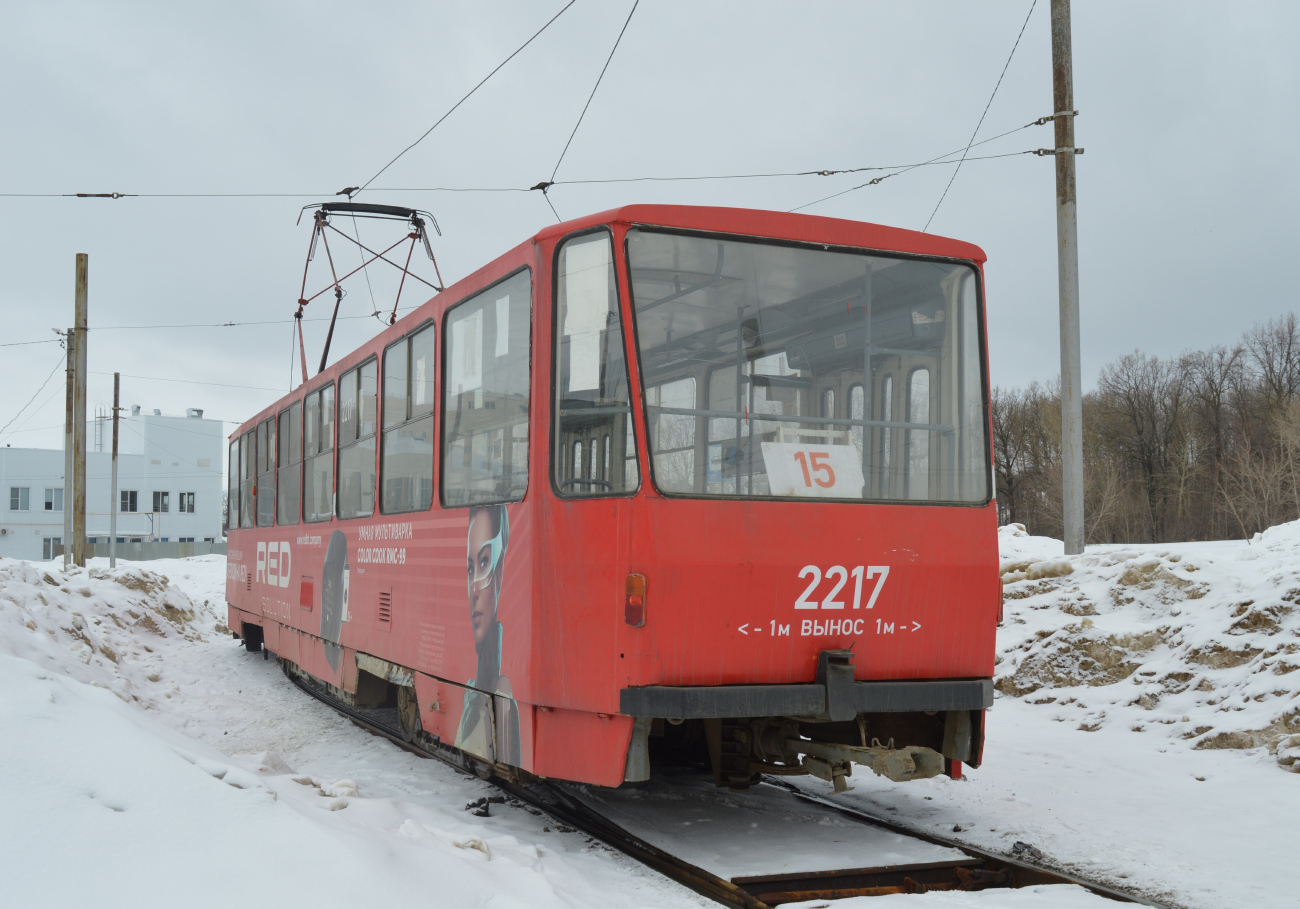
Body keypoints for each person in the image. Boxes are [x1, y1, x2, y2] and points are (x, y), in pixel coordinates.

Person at [455, 504, 521, 765]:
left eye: (484, 562)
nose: (474, 590)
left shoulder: (502, 694)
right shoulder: (471, 693)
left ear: (500, 569)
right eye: (470, 569)